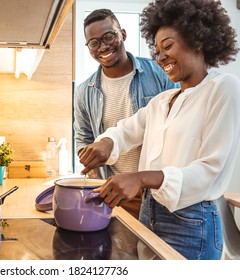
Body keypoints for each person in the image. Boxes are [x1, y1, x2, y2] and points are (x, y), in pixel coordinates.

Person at [78, 0, 240, 260]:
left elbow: (210, 171)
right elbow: (126, 130)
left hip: (193, 223)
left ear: (197, 40)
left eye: (168, 46)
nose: (161, 55)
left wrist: (141, 178)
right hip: (150, 213)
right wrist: (107, 143)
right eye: (157, 50)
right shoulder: (162, 101)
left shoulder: (223, 88)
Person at [74, 9, 178, 219]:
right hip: (114, 193)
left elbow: (179, 122)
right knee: (120, 251)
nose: (102, 46)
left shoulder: (159, 72)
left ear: (122, 34)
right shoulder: (84, 91)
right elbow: (83, 139)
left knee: (157, 250)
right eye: (94, 43)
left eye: (109, 36)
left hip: (157, 192)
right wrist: (89, 158)